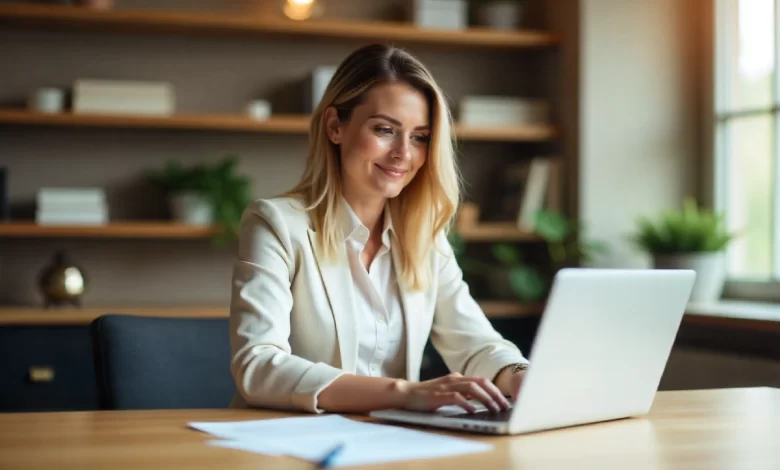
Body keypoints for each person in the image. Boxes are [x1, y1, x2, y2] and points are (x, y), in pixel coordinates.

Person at [229, 43, 529, 415]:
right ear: (335, 126)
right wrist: (404, 393)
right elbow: (257, 366)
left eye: (419, 136)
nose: (404, 153)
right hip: (286, 443)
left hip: (389, 445)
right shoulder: (275, 224)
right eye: (386, 129)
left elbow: (477, 344)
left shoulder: (424, 235)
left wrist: (521, 375)